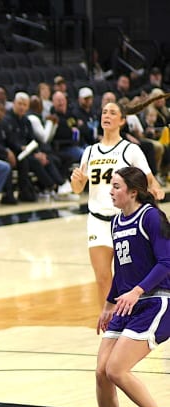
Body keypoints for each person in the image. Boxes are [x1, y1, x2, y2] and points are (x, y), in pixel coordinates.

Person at [91, 166, 170, 407]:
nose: (110, 191)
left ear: (132, 192)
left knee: (116, 369)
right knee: (101, 372)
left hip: (155, 302)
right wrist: (109, 304)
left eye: (116, 186)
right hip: (125, 304)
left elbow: (166, 262)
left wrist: (137, 291)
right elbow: (121, 271)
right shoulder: (115, 222)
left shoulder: (150, 216)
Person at [70, 95, 166, 305]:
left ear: (122, 121)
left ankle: (135, 321)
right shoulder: (90, 151)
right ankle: (109, 330)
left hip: (124, 222)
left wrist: (157, 189)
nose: (107, 115)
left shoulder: (130, 150)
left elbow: (149, 179)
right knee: (103, 279)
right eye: (104, 112)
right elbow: (78, 189)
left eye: (113, 113)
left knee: (130, 278)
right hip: (97, 221)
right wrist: (76, 181)